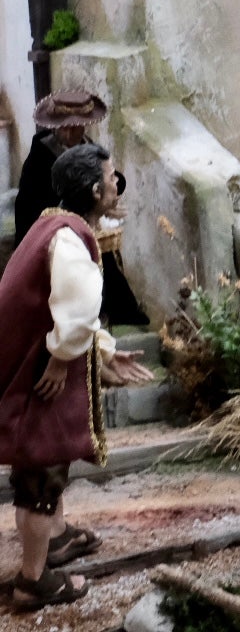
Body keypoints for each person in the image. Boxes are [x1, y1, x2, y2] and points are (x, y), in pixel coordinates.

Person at [0, 144, 155, 609]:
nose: (116, 185)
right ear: (94, 189)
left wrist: (102, 350)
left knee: (48, 463)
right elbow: (79, 306)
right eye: (113, 178)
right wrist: (62, 357)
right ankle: (33, 580)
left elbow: (71, 310)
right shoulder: (71, 237)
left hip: (35, 361)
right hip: (38, 371)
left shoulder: (52, 223)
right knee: (40, 471)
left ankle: (58, 536)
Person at [13, 92, 107, 238]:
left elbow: (109, 180)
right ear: (54, 127)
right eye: (64, 128)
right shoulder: (38, 161)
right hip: (52, 237)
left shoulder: (91, 152)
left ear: (84, 126)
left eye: (75, 128)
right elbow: (27, 212)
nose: (69, 134)